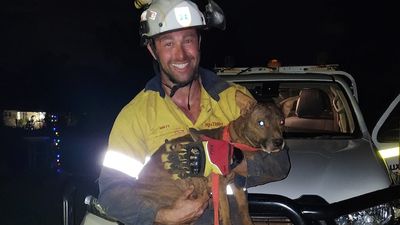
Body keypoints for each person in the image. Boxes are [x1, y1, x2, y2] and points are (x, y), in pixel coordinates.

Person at [97, 0, 291, 224]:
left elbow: (279, 164)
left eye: (187, 40)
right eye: (168, 43)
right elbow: (111, 195)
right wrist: (162, 215)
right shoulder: (135, 116)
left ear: (198, 42)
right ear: (152, 50)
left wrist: (229, 158)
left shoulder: (234, 100)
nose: (181, 55)